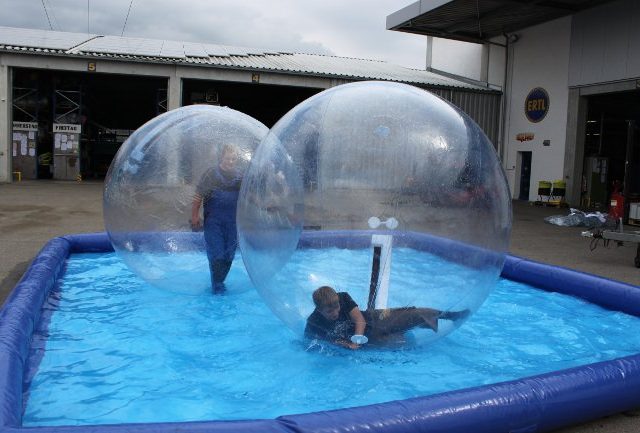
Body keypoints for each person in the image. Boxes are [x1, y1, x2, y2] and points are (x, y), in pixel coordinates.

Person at [304, 286, 469, 349]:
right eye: (329, 312)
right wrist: (348, 344)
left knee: (413, 313)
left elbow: (359, 320)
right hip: (369, 339)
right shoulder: (313, 323)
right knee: (400, 344)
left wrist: (357, 339)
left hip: (372, 320)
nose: (335, 313)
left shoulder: (342, 297)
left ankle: (453, 315)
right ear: (319, 310)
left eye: (337, 309)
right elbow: (326, 341)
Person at [191, 145, 241, 294]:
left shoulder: (240, 176)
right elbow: (198, 195)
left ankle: (219, 282)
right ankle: (217, 286)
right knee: (217, 254)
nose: (230, 162)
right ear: (221, 157)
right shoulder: (211, 174)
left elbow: (248, 197)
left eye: (233, 159)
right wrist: (194, 216)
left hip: (232, 223)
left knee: (229, 255)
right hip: (214, 222)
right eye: (228, 158)